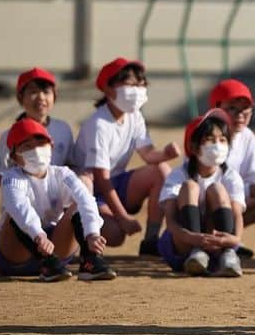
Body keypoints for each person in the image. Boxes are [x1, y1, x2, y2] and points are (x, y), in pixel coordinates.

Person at [75, 58, 181, 255]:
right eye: (130, 84)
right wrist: (122, 217)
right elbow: (101, 179)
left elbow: (148, 154)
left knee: (162, 169)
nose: (138, 90)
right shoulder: (99, 124)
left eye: (141, 85)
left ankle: (151, 240)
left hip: (115, 183)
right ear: (108, 89)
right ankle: (78, 235)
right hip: (91, 191)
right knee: (115, 235)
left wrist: (165, 153)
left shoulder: (135, 116)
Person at [0, 118, 115, 282]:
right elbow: (19, 207)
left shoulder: (63, 174)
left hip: (55, 250)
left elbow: (86, 199)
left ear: (51, 146)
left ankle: (89, 261)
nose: (36, 150)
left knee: (78, 204)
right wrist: (38, 235)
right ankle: (46, 263)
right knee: (14, 215)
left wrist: (92, 233)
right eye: (27, 146)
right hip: (15, 256)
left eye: (41, 143)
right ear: (14, 156)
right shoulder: (11, 178)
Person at [157, 109, 245, 277]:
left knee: (217, 189)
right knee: (190, 186)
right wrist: (190, 237)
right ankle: (196, 254)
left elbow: (237, 214)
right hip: (183, 244)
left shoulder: (231, 176)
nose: (217, 145)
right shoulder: (178, 174)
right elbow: (170, 219)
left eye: (222, 140)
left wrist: (235, 240)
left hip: (216, 243)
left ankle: (227, 255)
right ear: (193, 147)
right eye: (210, 140)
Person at [209, 79, 255, 259]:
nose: (240, 115)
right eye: (232, 108)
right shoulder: (206, 134)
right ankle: (206, 241)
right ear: (216, 109)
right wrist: (248, 189)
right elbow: (205, 182)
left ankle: (228, 236)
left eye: (245, 109)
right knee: (221, 194)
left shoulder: (246, 136)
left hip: (229, 199)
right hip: (202, 202)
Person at [0, 67, 78, 187]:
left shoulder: (63, 129)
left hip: (58, 200)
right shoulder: (9, 135)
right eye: (33, 92)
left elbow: (72, 164)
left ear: (54, 96)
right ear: (20, 98)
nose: (41, 97)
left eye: (46, 92)